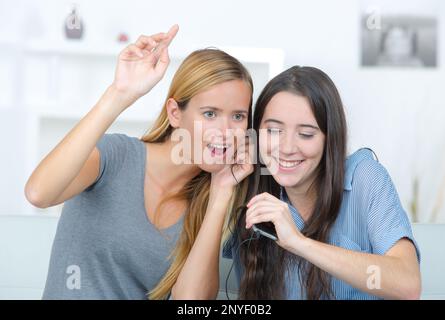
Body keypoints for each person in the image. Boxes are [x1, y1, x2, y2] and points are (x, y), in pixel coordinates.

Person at [25, 25, 254, 299]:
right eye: (210, 113)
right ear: (175, 113)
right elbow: (39, 193)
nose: (226, 130)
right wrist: (119, 93)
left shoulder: (210, 203)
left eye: (238, 117)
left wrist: (220, 194)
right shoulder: (114, 156)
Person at [224, 66, 421, 299]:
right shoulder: (255, 199)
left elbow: (408, 285)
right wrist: (221, 190)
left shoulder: (364, 178)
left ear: (330, 138)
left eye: (306, 134)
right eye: (274, 131)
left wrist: (300, 243)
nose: (286, 148)